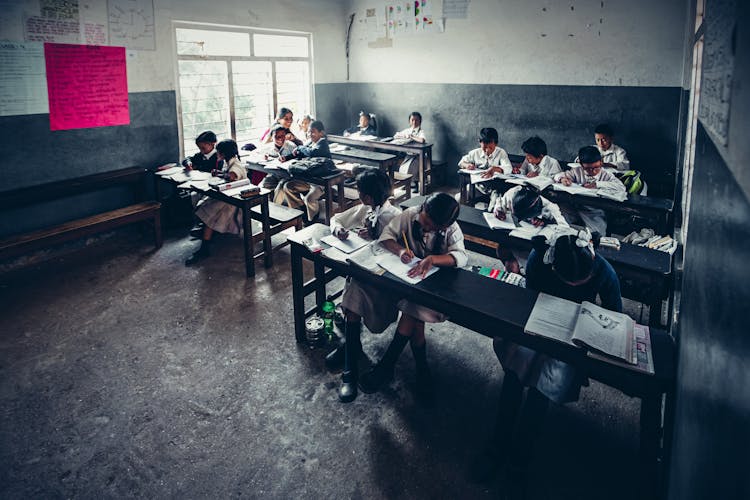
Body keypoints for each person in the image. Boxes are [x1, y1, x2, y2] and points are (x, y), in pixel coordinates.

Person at [472, 229, 622, 496]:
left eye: (582, 281)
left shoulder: (603, 270)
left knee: (542, 387)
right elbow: (528, 299)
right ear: (555, 267)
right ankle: (497, 445)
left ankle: (519, 460)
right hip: (537, 325)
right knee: (515, 375)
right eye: (569, 281)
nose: (576, 285)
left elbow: (615, 315)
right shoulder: (540, 259)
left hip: (572, 338)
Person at [359, 193, 467, 403]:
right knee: (413, 312)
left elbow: (462, 256)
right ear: (423, 208)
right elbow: (386, 237)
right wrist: (400, 251)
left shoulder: (451, 230)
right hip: (409, 282)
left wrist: (434, 259)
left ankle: (387, 365)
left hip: (438, 289)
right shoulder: (410, 215)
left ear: (443, 226)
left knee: (412, 310)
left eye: (431, 227)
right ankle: (422, 368)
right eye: (424, 221)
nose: (424, 228)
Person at [325, 169, 402, 402]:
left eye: (360, 192)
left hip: (384, 284)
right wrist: (338, 230)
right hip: (363, 274)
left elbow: (402, 255)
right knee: (353, 292)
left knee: (352, 294)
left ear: (369, 196)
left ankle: (351, 354)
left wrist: (377, 240)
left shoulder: (396, 217)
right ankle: (350, 363)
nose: (358, 196)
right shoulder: (364, 210)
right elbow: (336, 219)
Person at [185, 139, 247, 266]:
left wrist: (222, 175)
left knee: (211, 215)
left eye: (218, 152)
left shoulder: (236, 164)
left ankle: (204, 248)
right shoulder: (228, 162)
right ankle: (207, 234)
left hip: (235, 203)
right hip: (228, 198)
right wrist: (219, 173)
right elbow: (227, 174)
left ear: (223, 153)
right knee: (203, 204)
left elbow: (232, 176)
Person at [491, 185, 569, 273]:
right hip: (515, 235)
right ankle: (514, 270)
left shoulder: (550, 208)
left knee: (512, 266)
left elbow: (564, 230)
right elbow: (501, 202)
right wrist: (498, 209)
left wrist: (547, 222)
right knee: (501, 250)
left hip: (533, 245)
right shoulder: (514, 193)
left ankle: (520, 272)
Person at [553, 146, 626, 234]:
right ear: (581, 165)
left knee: (597, 234)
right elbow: (557, 175)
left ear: (601, 162)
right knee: (558, 222)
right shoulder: (577, 171)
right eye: (587, 168)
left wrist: (597, 184)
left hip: (593, 211)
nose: (593, 171)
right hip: (573, 207)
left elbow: (621, 187)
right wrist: (562, 179)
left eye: (596, 167)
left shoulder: (606, 174)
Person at [274, 120, 331, 222]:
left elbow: (311, 153)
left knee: (310, 198)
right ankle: (302, 213)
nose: (310, 134)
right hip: (309, 180)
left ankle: (313, 219)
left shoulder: (323, 144)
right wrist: (286, 158)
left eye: (313, 132)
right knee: (288, 186)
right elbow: (299, 153)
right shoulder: (310, 143)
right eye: (309, 132)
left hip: (320, 182)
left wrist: (300, 148)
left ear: (321, 133)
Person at [458, 128, 512, 202]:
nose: (487, 150)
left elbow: (508, 168)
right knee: (459, 198)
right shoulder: (475, 153)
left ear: (496, 144)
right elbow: (461, 162)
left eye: (490, 147)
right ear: (480, 142)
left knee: (496, 202)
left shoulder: (501, 152)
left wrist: (494, 169)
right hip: (478, 188)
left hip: (495, 189)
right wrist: (467, 165)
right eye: (485, 147)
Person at [394, 112, 427, 191]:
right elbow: (395, 136)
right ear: (409, 121)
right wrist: (404, 135)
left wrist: (411, 136)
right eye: (412, 120)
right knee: (402, 167)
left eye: (416, 120)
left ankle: (415, 184)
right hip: (409, 155)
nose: (414, 122)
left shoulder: (420, 131)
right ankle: (407, 183)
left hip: (419, 156)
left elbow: (422, 140)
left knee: (411, 167)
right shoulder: (407, 130)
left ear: (420, 121)